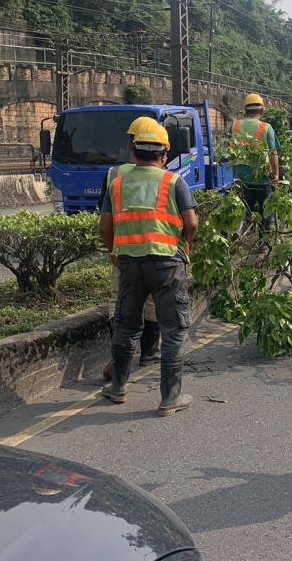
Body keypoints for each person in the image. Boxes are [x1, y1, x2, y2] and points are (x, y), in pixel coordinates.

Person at [100, 120, 199, 417]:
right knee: (175, 329)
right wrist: (186, 244)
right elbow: (191, 222)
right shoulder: (173, 182)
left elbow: (105, 226)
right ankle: (170, 398)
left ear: (132, 149)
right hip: (167, 263)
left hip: (130, 263)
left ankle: (118, 388)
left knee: (126, 326)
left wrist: (114, 252)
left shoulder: (117, 183)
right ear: (165, 153)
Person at [99, 116, 162, 380]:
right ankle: (149, 352)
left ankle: (120, 360)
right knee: (153, 303)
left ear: (131, 145)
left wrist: (112, 249)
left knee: (121, 305)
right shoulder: (166, 177)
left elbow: (105, 219)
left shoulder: (115, 175)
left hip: (124, 253)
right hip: (158, 252)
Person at [229, 93, 280, 233]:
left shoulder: (235, 126)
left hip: (241, 179)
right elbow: (273, 154)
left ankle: (240, 236)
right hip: (262, 179)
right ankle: (264, 244)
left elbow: (229, 151)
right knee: (267, 212)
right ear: (262, 110)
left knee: (245, 211)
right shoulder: (266, 128)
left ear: (245, 110)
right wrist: (276, 175)